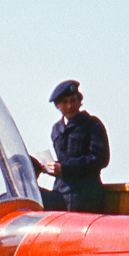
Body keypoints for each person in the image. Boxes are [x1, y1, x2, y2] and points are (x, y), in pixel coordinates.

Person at [43, 80, 110, 213]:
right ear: (57, 105)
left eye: (73, 100)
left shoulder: (92, 125)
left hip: (86, 197)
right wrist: (49, 167)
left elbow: (99, 159)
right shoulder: (56, 129)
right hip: (60, 194)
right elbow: (64, 161)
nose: (69, 106)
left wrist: (64, 168)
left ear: (80, 101)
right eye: (64, 102)